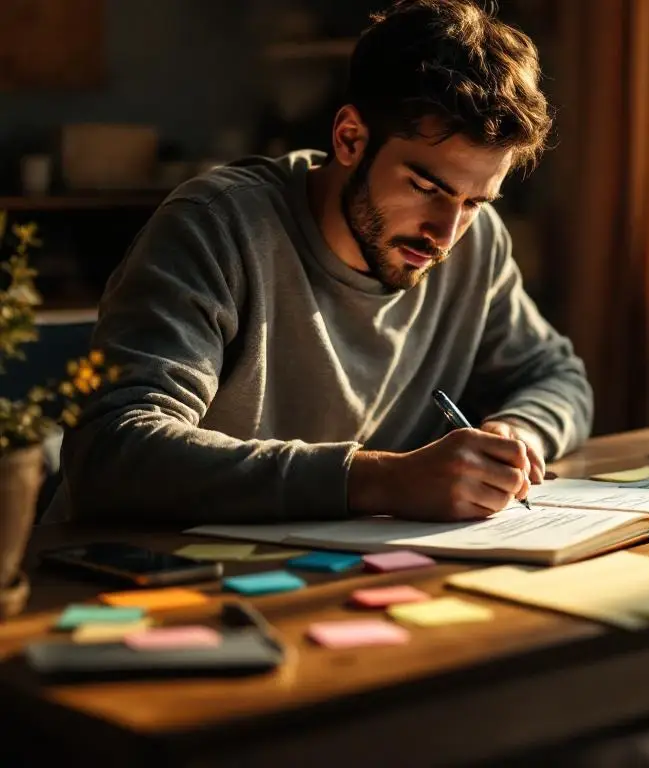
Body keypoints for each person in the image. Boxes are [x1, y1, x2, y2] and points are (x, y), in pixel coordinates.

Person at [46, 0, 593, 526]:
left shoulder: (477, 243)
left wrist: (516, 435)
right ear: (350, 138)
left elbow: (556, 376)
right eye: (425, 187)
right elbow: (113, 448)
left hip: (326, 572)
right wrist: (379, 479)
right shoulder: (216, 224)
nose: (446, 234)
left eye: (474, 202)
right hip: (134, 581)